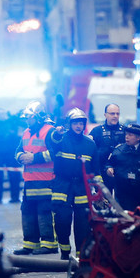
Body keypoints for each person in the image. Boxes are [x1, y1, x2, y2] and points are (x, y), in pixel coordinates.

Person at [50, 108, 102, 260]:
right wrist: (56, 134)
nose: (79, 126)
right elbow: (51, 142)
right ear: (69, 124)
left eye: (81, 123)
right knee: (62, 219)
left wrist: (99, 191)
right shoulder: (60, 139)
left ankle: (81, 254)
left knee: (83, 223)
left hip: (82, 187)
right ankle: (65, 251)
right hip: (62, 185)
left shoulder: (90, 144)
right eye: (75, 123)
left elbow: (96, 169)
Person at [12, 101, 59, 255]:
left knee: (44, 212)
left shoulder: (50, 131)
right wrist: (21, 157)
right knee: (27, 211)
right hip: (29, 181)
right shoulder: (26, 132)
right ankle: (30, 244)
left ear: (38, 117)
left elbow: (55, 153)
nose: (27, 120)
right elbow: (17, 151)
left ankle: (49, 245)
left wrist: (34, 158)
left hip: (46, 180)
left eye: (30, 117)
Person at [106, 123, 140, 215]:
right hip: (122, 192)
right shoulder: (118, 151)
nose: (127, 137)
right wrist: (109, 169)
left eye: (130, 135)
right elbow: (108, 163)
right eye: (126, 134)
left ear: (138, 138)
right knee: (123, 222)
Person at [88, 103, 125, 194]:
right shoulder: (96, 131)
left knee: (121, 204)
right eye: (112, 113)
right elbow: (89, 153)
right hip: (101, 173)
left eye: (117, 113)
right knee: (103, 204)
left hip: (121, 173)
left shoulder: (125, 131)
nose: (115, 116)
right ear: (105, 115)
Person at [0, 108, 22, 204]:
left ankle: (15, 197)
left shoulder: (12, 125)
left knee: (14, 176)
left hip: (11, 154)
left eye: (3, 113)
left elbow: (17, 139)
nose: (1, 115)